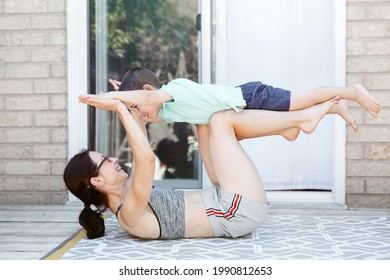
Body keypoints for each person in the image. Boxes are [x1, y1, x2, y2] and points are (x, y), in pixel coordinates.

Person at [64, 96, 340, 239]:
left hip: (222, 197)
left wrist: (129, 104)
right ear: (96, 181)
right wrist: (120, 110)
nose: (113, 159)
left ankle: (288, 129)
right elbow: (146, 159)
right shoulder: (129, 213)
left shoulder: (127, 192)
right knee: (221, 121)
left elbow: (140, 149)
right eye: (105, 161)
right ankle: (299, 120)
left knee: (206, 120)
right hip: (236, 212)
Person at [80, 67, 381, 133]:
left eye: (138, 105)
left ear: (148, 91)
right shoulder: (167, 109)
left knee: (301, 100)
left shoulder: (175, 89)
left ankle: (350, 91)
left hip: (250, 95)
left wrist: (111, 97)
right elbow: (147, 113)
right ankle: (334, 108)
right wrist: (126, 106)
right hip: (245, 107)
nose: (141, 114)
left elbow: (148, 99)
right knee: (289, 124)